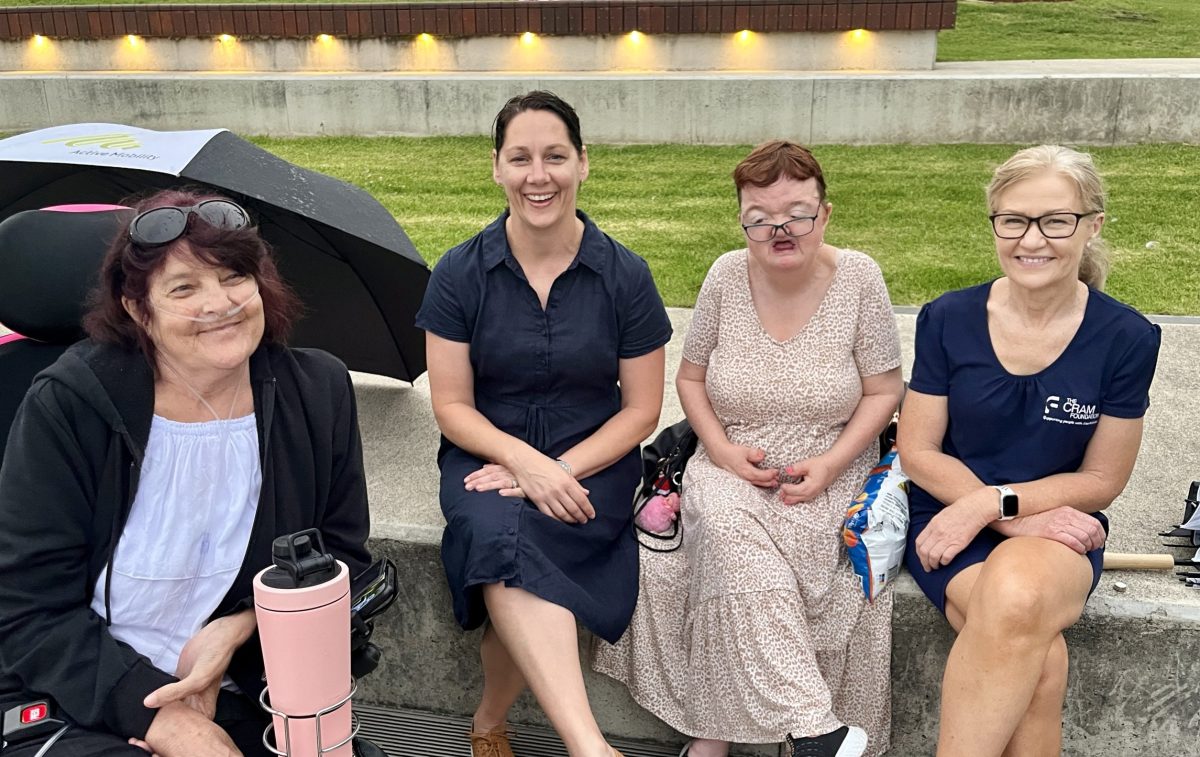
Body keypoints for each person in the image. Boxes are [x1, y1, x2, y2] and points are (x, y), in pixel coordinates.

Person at [0, 189, 372, 757]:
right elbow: (28, 608)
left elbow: (342, 557)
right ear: (136, 308)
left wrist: (246, 621)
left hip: (245, 686)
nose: (220, 303)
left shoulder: (317, 392)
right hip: (80, 689)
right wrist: (164, 718)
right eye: (183, 288)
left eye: (234, 277)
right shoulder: (71, 403)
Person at [595, 140, 904, 757]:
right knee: (736, 543)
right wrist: (723, 450)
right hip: (730, 463)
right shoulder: (724, 275)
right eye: (760, 217)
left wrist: (832, 464)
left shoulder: (860, 278)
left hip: (827, 467)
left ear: (826, 213)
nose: (779, 229)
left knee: (782, 575)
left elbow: (885, 389)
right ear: (742, 221)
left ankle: (715, 736)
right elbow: (690, 379)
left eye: (797, 212)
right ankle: (815, 728)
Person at [415, 91, 672, 757]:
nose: (539, 175)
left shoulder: (626, 275)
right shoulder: (457, 274)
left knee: (514, 556)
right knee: (498, 533)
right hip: (486, 455)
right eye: (520, 157)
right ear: (496, 168)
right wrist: (524, 464)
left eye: (555, 156)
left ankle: (489, 721)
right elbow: (451, 405)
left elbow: (642, 409)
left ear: (583, 163)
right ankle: (588, 747)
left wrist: (557, 469)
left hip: (594, 459)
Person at [898, 145, 1161, 756]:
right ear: (994, 224)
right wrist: (995, 513)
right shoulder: (948, 317)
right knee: (1039, 664)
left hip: (1056, 526)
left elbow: (1102, 477)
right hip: (945, 515)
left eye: (1055, 220)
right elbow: (917, 449)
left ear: (1091, 225)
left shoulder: (1125, 337)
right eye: (1012, 220)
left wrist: (998, 504)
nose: (1031, 239)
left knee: (1017, 597)